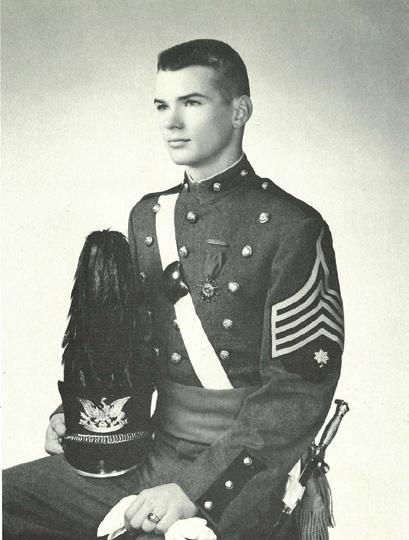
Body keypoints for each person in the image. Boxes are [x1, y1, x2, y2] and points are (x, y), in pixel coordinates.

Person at [3, 39, 344, 540]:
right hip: (153, 453)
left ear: (239, 111)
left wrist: (192, 491)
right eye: (162, 105)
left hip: (244, 475)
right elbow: (132, 350)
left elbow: (296, 392)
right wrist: (80, 417)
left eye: (192, 102)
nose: (172, 121)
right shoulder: (149, 218)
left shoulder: (292, 226)